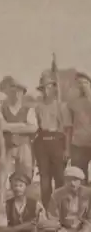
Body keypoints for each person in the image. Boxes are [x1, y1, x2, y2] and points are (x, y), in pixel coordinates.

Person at [33, 73, 72, 208]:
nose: (46, 91)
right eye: (43, 88)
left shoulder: (62, 106)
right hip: (42, 141)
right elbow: (35, 127)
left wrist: (66, 149)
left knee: (60, 177)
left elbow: (67, 129)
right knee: (44, 178)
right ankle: (46, 208)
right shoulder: (38, 107)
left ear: (54, 88)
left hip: (57, 141)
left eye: (48, 87)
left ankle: (61, 207)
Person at [48, 166, 91, 232]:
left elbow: (89, 218)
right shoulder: (56, 195)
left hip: (82, 229)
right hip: (64, 230)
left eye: (75, 180)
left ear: (81, 181)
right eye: (69, 180)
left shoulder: (88, 194)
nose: (72, 183)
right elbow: (53, 218)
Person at [0, 77, 38, 181]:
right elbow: (1, 126)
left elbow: (33, 128)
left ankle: (25, 197)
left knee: (25, 175)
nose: (15, 94)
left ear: (23, 94)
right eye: (12, 91)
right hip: (7, 146)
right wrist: (22, 125)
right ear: (8, 93)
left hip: (24, 146)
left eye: (18, 92)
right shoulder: (2, 109)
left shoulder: (29, 109)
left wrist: (9, 127)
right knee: (3, 177)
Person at [68, 71, 91, 184]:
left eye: (85, 83)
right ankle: (83, 201)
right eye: (79, 83)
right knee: (79, 176)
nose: (82, 86)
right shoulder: (73, 103)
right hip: (78, 143)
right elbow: (68, 126)